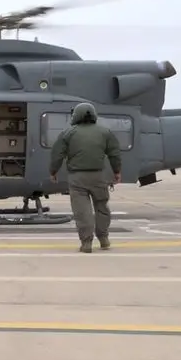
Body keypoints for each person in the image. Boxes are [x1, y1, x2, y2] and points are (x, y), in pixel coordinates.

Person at [49, 101, 122, 253]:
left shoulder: (68, 133)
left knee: (82, 211)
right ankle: (104, 239)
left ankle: (86, 242)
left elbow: (57, 155)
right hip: (98, 177)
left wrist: (53, 171)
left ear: (76, 115)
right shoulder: (105, 132)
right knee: (102, 207)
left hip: (77, 179)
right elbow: (114, 154)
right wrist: (117, 171)